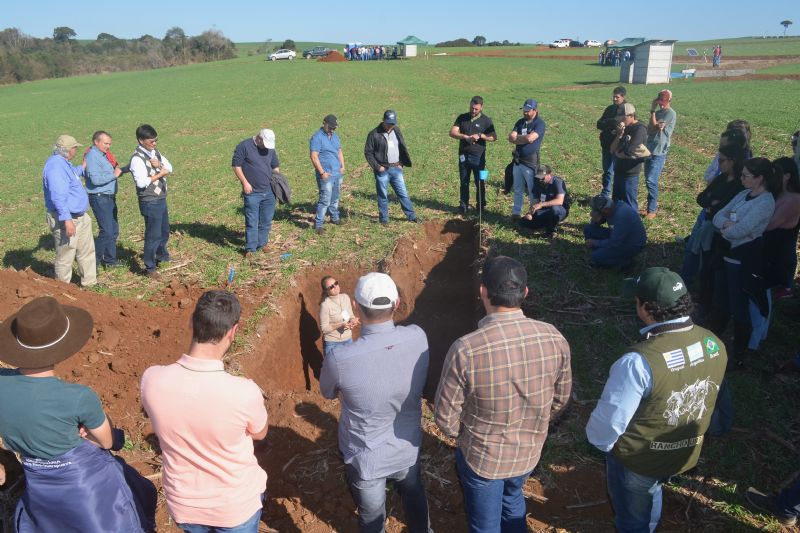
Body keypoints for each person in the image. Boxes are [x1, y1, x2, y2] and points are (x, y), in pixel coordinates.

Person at [435, 255, 571, 532]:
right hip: (528, 453)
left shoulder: (466, 349)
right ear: (525, 293)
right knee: (513, 500)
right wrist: (537, 425)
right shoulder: (554, 337)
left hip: (483, 459)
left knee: (485, 525)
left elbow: (445, 417)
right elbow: (561, 399)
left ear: (482, 291)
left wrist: (461, 437)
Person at [586, 267, 727, 533]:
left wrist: (602, 444)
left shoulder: (637, 362)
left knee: (631, 519)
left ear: (645, 308)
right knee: (655, 486)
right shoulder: (714, 343)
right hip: (685, 452)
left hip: (640, 459)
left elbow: (610, 421)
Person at [0, 296, 156, 532]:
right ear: (60, 346)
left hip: (40, 485)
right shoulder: (78, 397)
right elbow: (106, 441)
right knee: (140, 491)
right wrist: (87, 435)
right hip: (85, 487)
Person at [141, 290, 269, 533]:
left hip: (184, 505)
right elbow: (260, 434)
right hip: (234, 507)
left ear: (192, 321)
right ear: (233, 331)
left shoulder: (152, 379)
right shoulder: (243, 392)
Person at [319, 273, 432, 533]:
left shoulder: (341, 359)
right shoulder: (418, 337)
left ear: (356, 307)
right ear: (397, 304)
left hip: (365, 457)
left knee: (371, 518)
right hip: (407, 450)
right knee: (414, 493)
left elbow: (327, 392)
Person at [710, 158, 777, 367]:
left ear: (760, 179)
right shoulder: (742, 194)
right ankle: (712, 341)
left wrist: (728, 228)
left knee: (739, 307)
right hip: (726, 256)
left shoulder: (766, 203)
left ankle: (738, 354)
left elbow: (741, 231)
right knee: (721, 300)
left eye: (746, 176)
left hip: (743, 260)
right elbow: (717, 215)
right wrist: (728, 225)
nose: (741, 178)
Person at [43, 134, 98, 288]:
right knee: (66, 255)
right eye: (74, 148)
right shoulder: (55, 167)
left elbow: (72, 175)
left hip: (80, 217)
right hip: (67, 219)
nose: (76, 150)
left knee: (86, 251)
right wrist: (67, 220)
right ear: (67, 150)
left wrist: (82, 167)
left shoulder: (64, 163)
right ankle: (63, 290)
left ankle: (90, 284)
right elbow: (58, 196)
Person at [130, 124, 173, 278]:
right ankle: (150, 268)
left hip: (161, 198)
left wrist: (160, 165)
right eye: (151, 141)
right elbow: (141, 183)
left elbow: (170, 168)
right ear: (141, 141)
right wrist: (160, 173)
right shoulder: (137, 159)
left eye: (155, 141)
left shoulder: (155, 153)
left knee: (164, 230)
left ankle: (162, 255)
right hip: (150, 201)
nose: (154, 144)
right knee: (153, 235)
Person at [364, 110, 419, 224]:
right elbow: (368, 152)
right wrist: (378, 167)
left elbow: (402, 147)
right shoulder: (374, 134)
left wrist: (401, 163)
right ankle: (384, 219)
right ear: (383, 120)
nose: (391, 126)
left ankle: (411, 216)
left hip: (396, 169)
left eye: (393, 123)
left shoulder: (396, 130)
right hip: (382, 170)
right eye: (389, 123)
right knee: (383, 195)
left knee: (403, 193)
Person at [232, 128, 280, 256]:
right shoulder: (244, 146)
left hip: (269, 191)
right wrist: (245, 182)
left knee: (266, 220)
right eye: (264, 143)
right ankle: (250, 249)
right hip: (252, 192)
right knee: (252, 221)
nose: (266, 147)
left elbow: (275, 166)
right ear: (259, 138)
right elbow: (236, 165)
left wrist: (278, 181)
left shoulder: (270, 149)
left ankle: (262, 243)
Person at [449, 96, 497, 214]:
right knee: (464, 181)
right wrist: (465, 137)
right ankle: (463, 205)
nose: (473, 111)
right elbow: (452, 132)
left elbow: (493, 137)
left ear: (481, 107)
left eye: (476, 109)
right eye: (471, 108)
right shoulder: (462, 117)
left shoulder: (486, 120)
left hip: (479, 158)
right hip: (463, 156)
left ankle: (481, 206)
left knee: (479, 181)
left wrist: (481, 136)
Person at [84, 130, 123, 269]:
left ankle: (110, 261)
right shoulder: (92, 157)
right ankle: (92, 263)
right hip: (100, 197)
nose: (108, 146)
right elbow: (95, 180)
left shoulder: (104, 155)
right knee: (106, 231)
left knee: (113, 230)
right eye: (106, 143)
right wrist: (114, 175)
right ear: (96, 142)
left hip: (109, 197)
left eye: (110, 144)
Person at [764, 157, 800, 298]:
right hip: (770, 253)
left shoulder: (794, 199)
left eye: (776, 173)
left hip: (778, 256)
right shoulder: (777, 193)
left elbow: (770, 224)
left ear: (787, 176)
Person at [584, 195, 647, 268]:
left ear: (606, 210)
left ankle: (625, 262)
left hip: (631, 245)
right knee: (589, 229)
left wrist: (594, 242)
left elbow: (614, 242)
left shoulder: (621, 216)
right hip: (618, 236)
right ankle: (605, 252)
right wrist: (596, 221)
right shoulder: (612, 207)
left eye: (596, 211)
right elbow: (604, 221)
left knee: (595, 257)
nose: (593, 212)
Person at [508, 98, 546, 218]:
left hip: (530, 162)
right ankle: (516, 213)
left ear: (535, 110)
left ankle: (533, 214)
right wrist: (522, 138)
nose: (525, 113)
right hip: (518, 161)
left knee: (532, 190)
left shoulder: (540, 123)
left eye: (528, 111)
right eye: (524, 110)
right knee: (517, 189)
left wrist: (517, 138)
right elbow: (511, 137)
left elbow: (531, 138)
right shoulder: (520, 122)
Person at [643, 90, 677, 218]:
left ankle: (652, 210)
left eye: (663, 102)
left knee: (651, 180)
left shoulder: (671, 114)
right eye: (659, 102)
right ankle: (649, 209)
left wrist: (655, 125)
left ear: (669, 101)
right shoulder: (657, 113)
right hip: (649, 148)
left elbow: (656, 127)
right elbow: (651, 129)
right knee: (648, 180)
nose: (661, 105)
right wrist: (652, 111)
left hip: (659, 150)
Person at [310, 115, 345, 234]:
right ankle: (318, 223)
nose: (332, 130)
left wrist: (342, 166)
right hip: (326, 174)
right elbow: (314, 157)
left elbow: (339, 151)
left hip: (337, 172)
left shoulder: (335, 136)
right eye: (330, 127)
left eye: (334, 128)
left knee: (335, 197)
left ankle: (334, 218)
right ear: (324, 123)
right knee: (325, 199)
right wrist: (322, 172)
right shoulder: (317, 137)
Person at [610, 103, 648, 210]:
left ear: (631, 115)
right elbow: (612, 149)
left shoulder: (640, 129)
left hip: (630, 174)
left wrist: (619, 154)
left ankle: (632, 225)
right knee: (616, 202)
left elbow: (630, 150)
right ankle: (616, 225)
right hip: (618, 171)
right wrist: (619, 134)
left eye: (623, 118)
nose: (620, 121)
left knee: (629, 204)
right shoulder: (624, 128)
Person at [518, 164, 569, 237]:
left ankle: (551, 231)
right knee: (524, 221)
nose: (540, 180)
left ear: (550, 175)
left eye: (542, 178)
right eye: (539, 178)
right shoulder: (537, 182)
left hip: (560, 209)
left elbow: (559, 201)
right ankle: (546, 223)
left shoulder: (558, 182)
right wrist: (530, 213)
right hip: (544, 210)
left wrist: (541, 204)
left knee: (554, 209)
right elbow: (535, 201)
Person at [596, 87, 627, 198]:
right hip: (606, 144)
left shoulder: (628, 110)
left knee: (617, 172)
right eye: (613, 96)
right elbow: (598, 124)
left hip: (619, 146)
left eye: (617, 97)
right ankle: (605, 194)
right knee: (607, 171)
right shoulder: (610, 109)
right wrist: (610, 122)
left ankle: (617, 195)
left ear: (623, 97)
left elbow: (631, 126)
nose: (614, 99)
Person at [319, 275, 360, 356]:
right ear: (326, 291)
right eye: (331, 287)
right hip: (333, 344)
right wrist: (341, 324)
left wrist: (352, 320)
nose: (335, 287)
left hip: (348, 340)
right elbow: (324, 329)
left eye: (336, 283)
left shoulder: (345, 297)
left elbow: (350, 316)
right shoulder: (325, 305)